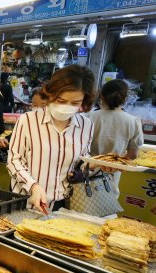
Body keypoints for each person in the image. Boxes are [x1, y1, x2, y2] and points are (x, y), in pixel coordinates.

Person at [7, 65, 96, 213]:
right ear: (51, 94)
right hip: (27, 201)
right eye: (61, 100)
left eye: (75, 103)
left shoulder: (86, 126)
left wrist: (94, 165)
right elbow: (14, 161)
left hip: (64, 204)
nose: (66, 107)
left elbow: (81, 161)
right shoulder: (28, 120)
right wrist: (33, 186)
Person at [87, 79, 144, 198]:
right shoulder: (133, 121)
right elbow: (133, 155)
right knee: (108, 207)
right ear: (125, 98)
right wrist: (114, 162)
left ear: (101, 95)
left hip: (87, 171)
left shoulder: (88, 117)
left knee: (81, 206)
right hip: (113, 173)